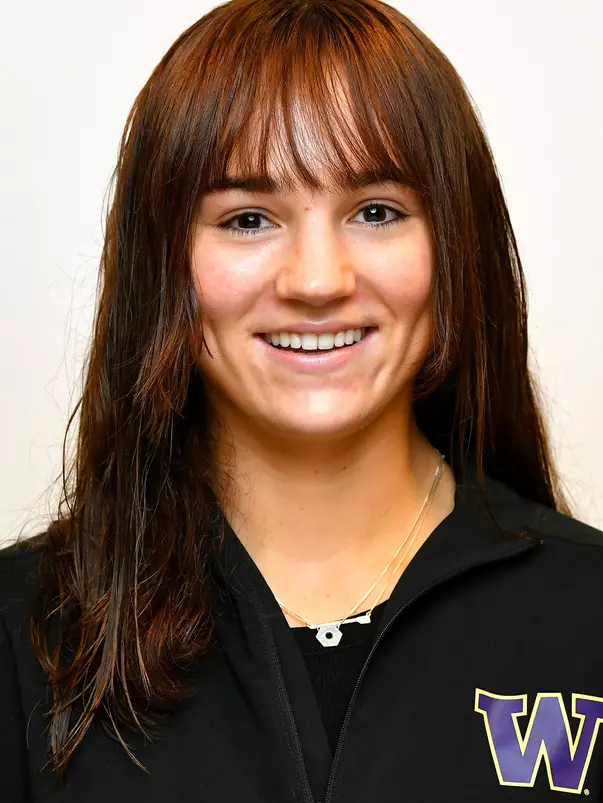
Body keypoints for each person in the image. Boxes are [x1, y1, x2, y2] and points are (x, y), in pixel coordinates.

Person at [1, 0, 602, 800]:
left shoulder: (587, 613)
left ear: (456, 247)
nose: (317, 280)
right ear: (163, 265)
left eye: (376, 211)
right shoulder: (21, 636)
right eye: (248, 219)